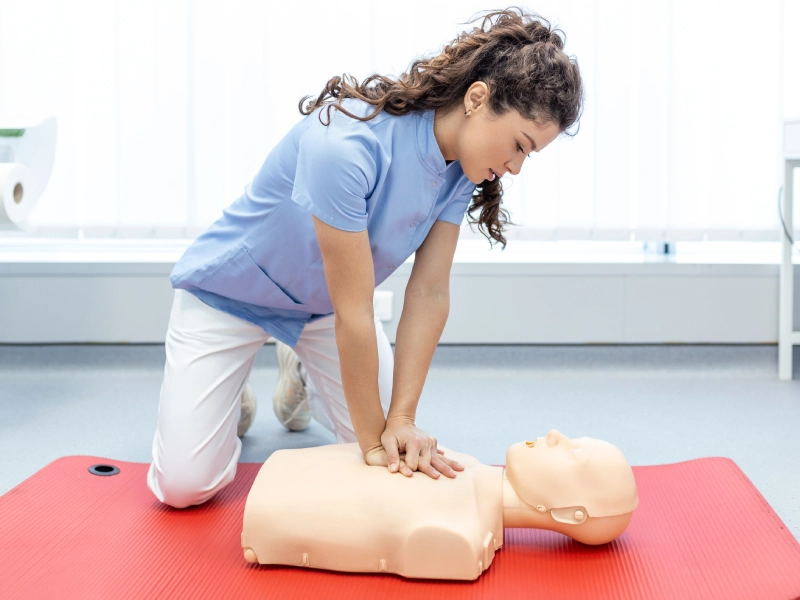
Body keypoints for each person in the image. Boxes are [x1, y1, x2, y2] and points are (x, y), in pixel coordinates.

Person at [147, 7, 583, 509]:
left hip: (325, 310)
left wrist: (400, 419)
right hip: (229, 296)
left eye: (530, 155)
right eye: (519, 145)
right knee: (184, 487)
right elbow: (356, 312)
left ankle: (297, 363)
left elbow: (429, 290)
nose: (517, 167)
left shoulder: (463, 171)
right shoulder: (346, 145)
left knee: (375, 453)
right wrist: (378, 444)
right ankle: (234, 393)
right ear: (477, 98)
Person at [240, 430, 639, 580]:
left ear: (572, 514)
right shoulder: (467, 467)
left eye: (572, 455)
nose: (555, 435)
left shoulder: (459, 535)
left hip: (269, 515)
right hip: (281, 489)